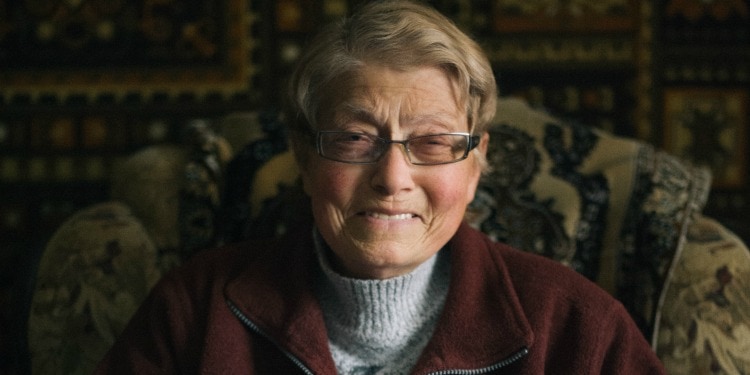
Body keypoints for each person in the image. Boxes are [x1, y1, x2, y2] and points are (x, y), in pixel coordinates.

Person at [95, 1, 667, 373]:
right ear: (303, 155)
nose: (393, 179)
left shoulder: (579, 328)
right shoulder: (195, 311)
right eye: (353, 139)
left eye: (435, 141)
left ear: (476, 162)